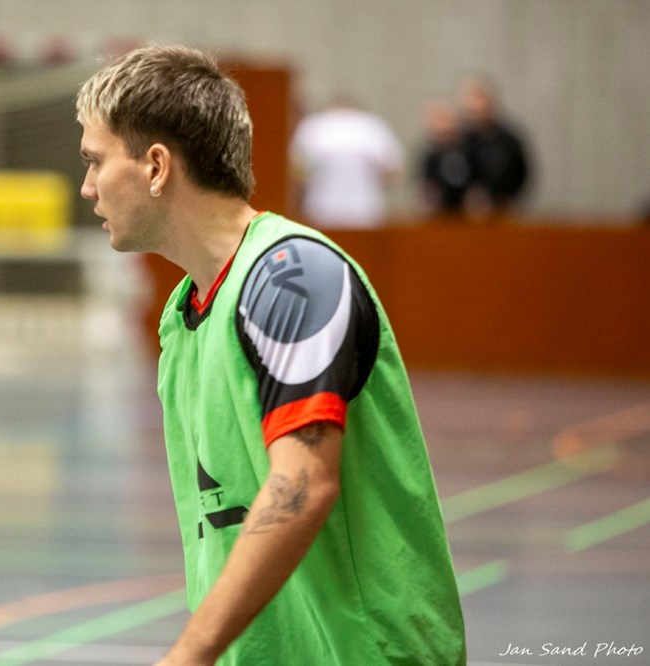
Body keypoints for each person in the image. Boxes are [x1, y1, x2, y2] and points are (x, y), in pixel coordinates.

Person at [76, 44, 465, 665]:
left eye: (96, 161)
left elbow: (303, 482)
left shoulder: (292, 277)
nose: (87, 186)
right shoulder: (183, 318)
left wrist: (187, 655)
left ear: (156, 166)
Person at [289, 94, 404, 229]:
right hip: (361, 206)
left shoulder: (315, 125)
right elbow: (393, 170)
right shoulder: (372, 126)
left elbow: (296, 167)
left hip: (327, 207)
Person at [458, 75, 531, 218]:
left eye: (480, 97)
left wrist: (503, 199)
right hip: (462, 216)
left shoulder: (509, 141)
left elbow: (521, 175)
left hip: (501, 213)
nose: (475, 105)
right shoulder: (460, 141)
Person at [418, 95, 474, 216]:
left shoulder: (470, 150)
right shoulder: (430, 157)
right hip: (441, 215)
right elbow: (426, 189)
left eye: (444, 119)